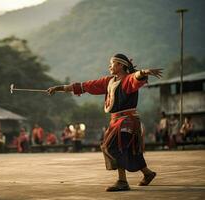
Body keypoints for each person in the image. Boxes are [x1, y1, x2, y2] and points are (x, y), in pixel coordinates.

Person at [47, 53, 162, 191]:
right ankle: (148, 174)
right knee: (129, 150)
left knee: (113, 147)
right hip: (116, 121)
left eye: (112, 63)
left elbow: (135, 77)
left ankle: (122, 181)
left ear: (120, 65)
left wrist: (143, 72)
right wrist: (59, 88)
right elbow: (85, 86)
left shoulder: (126, 80)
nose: (109, 66)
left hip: (126, 121)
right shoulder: (109, 81)